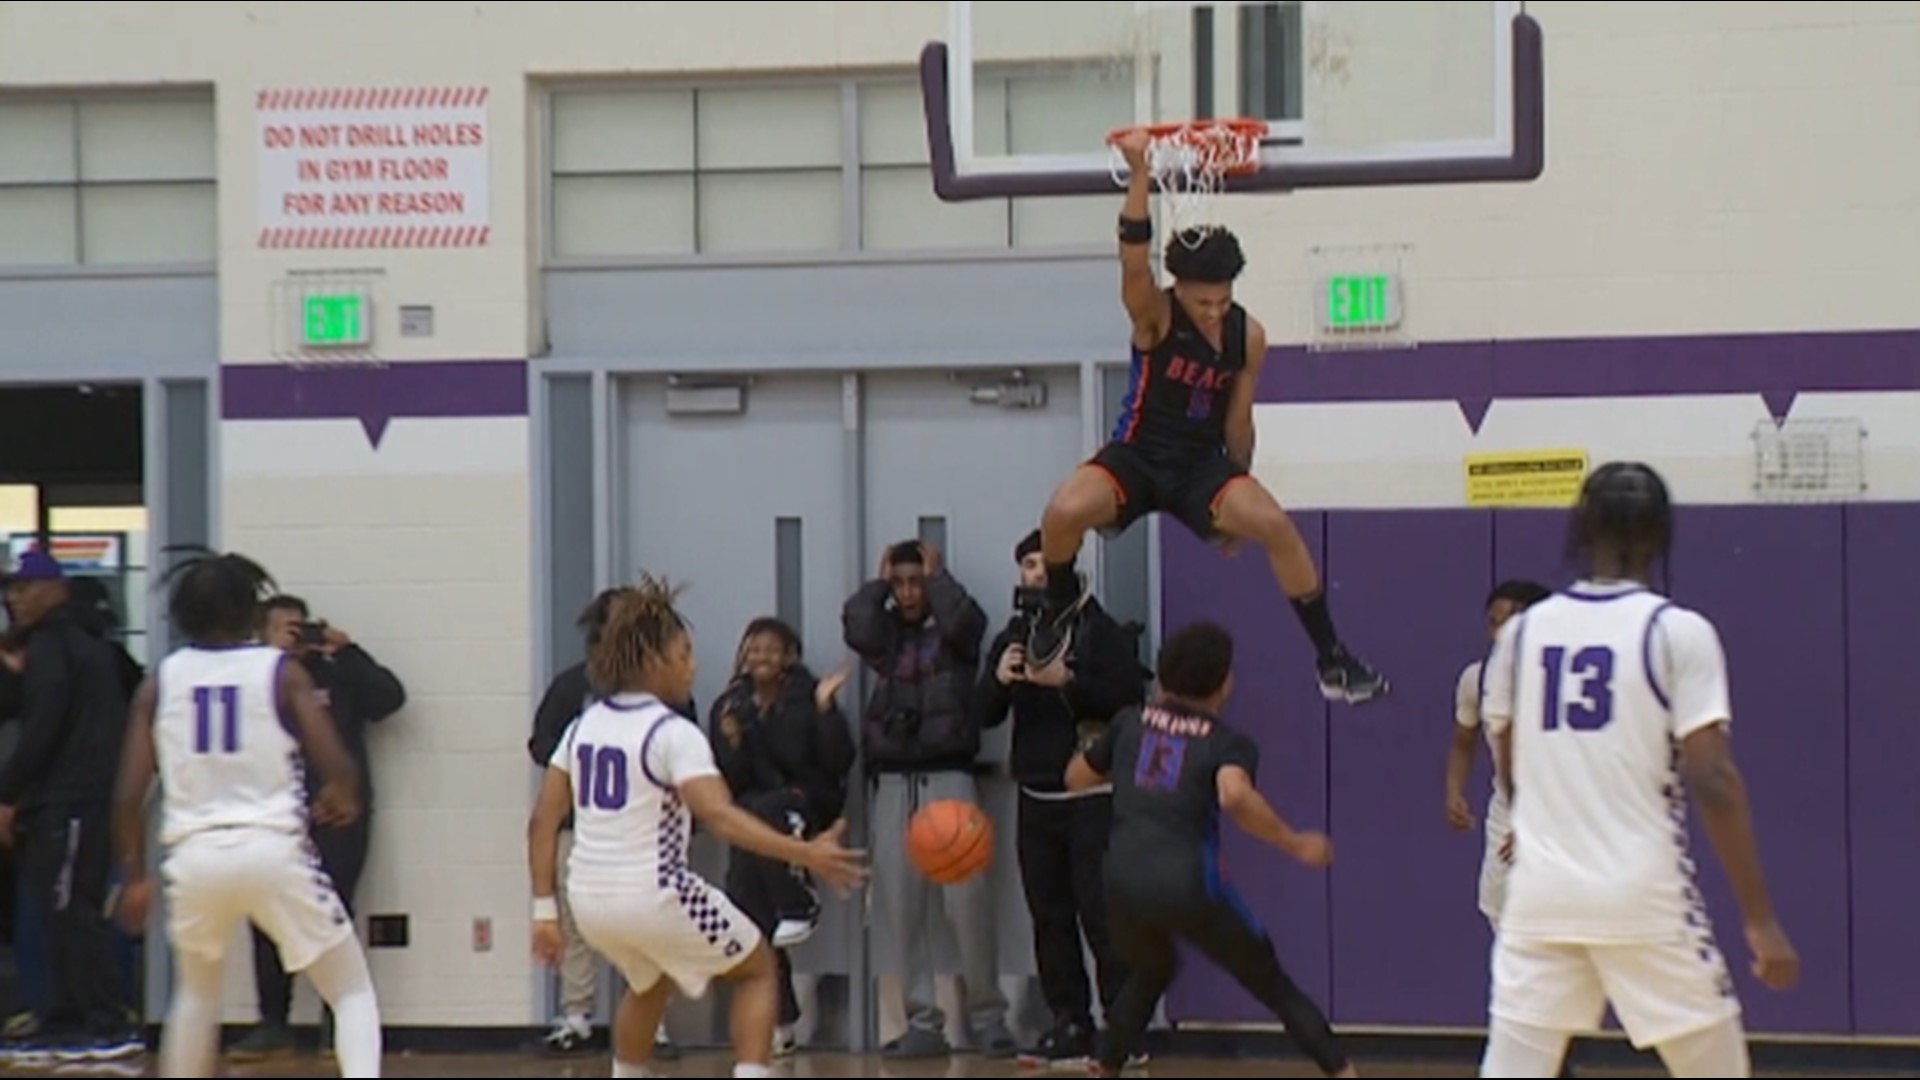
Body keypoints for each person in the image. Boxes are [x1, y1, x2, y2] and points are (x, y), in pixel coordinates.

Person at [1025, 128, 1384, 707]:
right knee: (1063, 511)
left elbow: (1239, 422)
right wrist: (1140, 174)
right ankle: (1059, 603)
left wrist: (1235, 495)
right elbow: (1133, 261)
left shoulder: (1250, 336)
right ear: (1179, 292)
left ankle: (1331, 656)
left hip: (1199, 466)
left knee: (1274, 524)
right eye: (1202, 303)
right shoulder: (1154, 315)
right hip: (1138, 454)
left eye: (1222, 301)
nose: (1214, 312)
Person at [1478, 462, 1798, 1077]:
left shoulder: (1521, 634)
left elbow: (1509, 760)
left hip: (1540, 896)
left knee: (1513, 1067)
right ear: (1660, 535)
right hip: (1641, 892)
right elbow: (1713, 780)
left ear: (1580, 530)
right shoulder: (1677, 632)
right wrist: (1759, 918)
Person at [527, 576, 865, 1079]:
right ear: (653, 661)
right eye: (685, 653)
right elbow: (721, 817)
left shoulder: (584, 727)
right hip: (654, 892)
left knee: (648, 982)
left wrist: (543, 911)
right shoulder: (671, 732)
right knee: (757, 968)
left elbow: (542, 821)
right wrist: (808, 854)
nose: (694, 665)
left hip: (589, 899)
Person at [108, 549, 382, 1077]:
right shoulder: (279, 672)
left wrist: (134, 876)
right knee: (350, 989)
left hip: (192, 856)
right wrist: (342, 791)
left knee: (197, 996)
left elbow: (127, 793)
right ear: (249, 612)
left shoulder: (161, 680)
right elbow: (333, 757)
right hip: (271, 848)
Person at [1065, 620, 1358, 1078]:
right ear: (1224, 683)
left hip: (1121, 881)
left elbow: (1076, 778)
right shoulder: (1227, 743)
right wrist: (1294, 843)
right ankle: (1343, 1072)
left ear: (1162, 677)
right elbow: (1235, 795)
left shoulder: (1127, 724)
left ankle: (1105, 1065)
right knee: (1272, 984)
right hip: (1188, 884)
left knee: (1152, 967)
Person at [976, 529, 1147, 1067]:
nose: (1035, 573)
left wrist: (1065, 682)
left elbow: (1129, 700)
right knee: (1049, 916)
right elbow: (981, 715)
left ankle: (1123, 1029)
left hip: (1094, 795)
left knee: (1101, 914)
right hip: (1036, 793)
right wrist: (999, 682)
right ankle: (1067, 1020)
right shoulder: (1015, 633)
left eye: (1045, 563)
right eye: (1027, 563)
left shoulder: (1101, 630)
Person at [230, 595, 406, 1062]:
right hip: (275, 816)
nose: (296, 635)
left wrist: (346, 650)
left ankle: (338, 1021)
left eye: (300, 626)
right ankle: (273, 1022)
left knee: (334, 916)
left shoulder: (336, 671)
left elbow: (390, 698)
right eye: (284, 628)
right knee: (265, 918)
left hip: (337, 817)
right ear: (262, 634)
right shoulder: (253, 679)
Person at [527, 588, 695, 1059]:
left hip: (646, 833)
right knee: (579, 925)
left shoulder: (670, 697)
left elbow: (698, 780)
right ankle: (577, 1016)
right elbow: (540, 747)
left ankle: (653, 1026)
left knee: (653, 931)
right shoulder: (571, 690)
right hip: (583, 829)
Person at [0, 550, 141, 1062]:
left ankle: (102, 1021)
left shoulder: (59, 646)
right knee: (58, 910)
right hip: (66, 799)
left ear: (56, 589)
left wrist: (8, 793)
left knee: (72, 910)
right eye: (9, 591)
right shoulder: (68, 646)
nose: (14, 599)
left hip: (72, 798)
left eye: (24, 588)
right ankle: (64, 1018)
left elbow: (43, 727)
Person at [1447, 579, 1584, 1078]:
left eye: (1512, 619)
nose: (1500, 629)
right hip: (1505, 828)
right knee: (1511, 952)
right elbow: (1464, 739)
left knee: (1554, 956)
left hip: (1559, 828)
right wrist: (1453, 789)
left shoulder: (1566, 684)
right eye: (1493, 620)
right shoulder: (1477, 679)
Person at [708, 616, 857, 1055]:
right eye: (754, 648)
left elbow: (836, 761)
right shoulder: (730, 705)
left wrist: (827, 711)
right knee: (750, 916)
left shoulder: (807, 696)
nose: (761, 657)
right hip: (753, 817)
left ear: (790, 655)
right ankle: (782, 1020)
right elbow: (727, 781)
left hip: (807, 803)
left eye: (772, 649)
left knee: (771, 807)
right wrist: (734, 742)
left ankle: (800, 901)